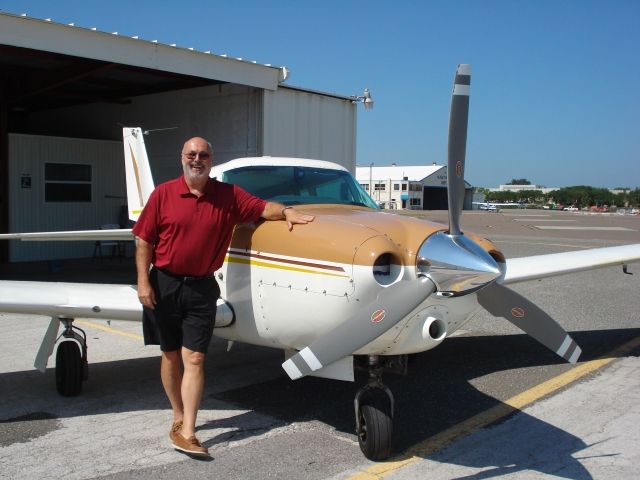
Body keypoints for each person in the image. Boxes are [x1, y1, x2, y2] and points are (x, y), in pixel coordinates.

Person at [133, 136, 314, 457]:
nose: (197, 159)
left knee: (196, 357)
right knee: (170, 354)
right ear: (182, 158)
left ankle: (188, 430)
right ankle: (177, 414)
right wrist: (143, 283)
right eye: (191, 154)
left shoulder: (228, 195)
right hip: (164, 283)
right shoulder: (163, 194)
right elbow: (144, 240)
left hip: (202, 287)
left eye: (203, 154)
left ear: (211, 159)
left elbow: (262, 208)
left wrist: (286, 211)